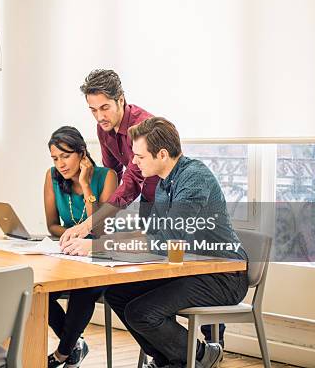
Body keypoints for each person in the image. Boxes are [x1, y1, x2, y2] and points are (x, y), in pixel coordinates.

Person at [100, 117, 249, 368]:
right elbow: (154, 235)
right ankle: (171, 359)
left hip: (223, 276)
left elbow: (171, 239)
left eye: (140, 156)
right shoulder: (163, 183)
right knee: (116, 294)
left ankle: (199, 356)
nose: (134, 162)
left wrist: (105, 247)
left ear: (162, 154)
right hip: (190, 271)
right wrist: (106, 242)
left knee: (142, 312)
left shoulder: (194, 178)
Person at [44, 126, 117, 368]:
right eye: (55, 158)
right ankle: (75, 345)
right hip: (67, 254)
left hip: (100, 254)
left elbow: (99, 229)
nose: (60, 164)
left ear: (82, 153)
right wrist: (71, 238)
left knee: (83, 288)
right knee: (37, 292)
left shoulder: (106, 177)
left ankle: (63, 353)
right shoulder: (52, 176)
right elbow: (52, 225)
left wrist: (86, 186)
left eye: (65, 156)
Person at [60, 69, 159, 243]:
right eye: (93, 110)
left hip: (166, 201)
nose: (99, 117)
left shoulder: (143, 127)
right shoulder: (103, 129)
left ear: (120, 100)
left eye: (105, 108)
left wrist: (90, 223)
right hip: (146, 203)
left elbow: (133, 181)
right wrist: (98, 219)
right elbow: (111, 174)